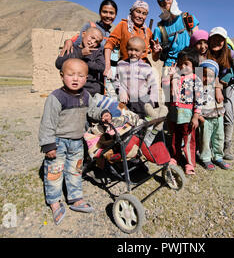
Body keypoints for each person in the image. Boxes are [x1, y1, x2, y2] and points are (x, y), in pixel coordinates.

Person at [39, 58, 121, 225]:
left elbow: (92, 110)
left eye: (80, 75)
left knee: (75, 170)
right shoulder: (56, 98)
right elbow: (47, 123)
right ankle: (54, 201)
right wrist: (48, 145)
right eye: (71, 75)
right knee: (54, 172)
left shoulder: (86, 95)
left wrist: (103, 114)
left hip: (77, 142)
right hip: (58, 141)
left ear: (86, 78)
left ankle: (75, 198)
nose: (75, 79)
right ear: (62, 76)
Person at [207, 27, 234, 160]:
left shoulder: (231, 54)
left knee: (228, 110)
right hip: (213, 83)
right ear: (209, 40)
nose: (216, 42)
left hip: (229, 83)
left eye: (220, 39)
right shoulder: (206, 54)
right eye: (214, 39)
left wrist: (229, 77)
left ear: (224, 41)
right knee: (211, 111)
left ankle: (226, 145)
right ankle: (210, 143)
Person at [167, 47, 204, 175]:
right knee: (175, 138)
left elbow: (199, 98)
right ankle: (175, 157)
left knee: (189, 139)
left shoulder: (195, 79)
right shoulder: (175, 77)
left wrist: (196, 116)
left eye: (186, 63)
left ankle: (189, 163)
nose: (183, 66)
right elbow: (166, 92)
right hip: (174, 114)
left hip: (187, 115)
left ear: (194, 65)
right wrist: (171, 77)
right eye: (181, 63)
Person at [103, 0, 153, 80]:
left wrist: (156, 50)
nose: (140, 16)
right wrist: (107, 66)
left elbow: (155, 55)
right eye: (138, 12)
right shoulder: (123, 25)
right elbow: (109, 44)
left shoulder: (147, 31)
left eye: (144, 14)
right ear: (132, 11)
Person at [151, 0, 199, 68]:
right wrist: (156, 52)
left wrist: (199, 71)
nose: (165, 1)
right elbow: (155, 58)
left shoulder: (188, 19)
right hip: (169, 66)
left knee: (199, 80)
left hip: (190, 64)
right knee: (166, 81)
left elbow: (199, 44)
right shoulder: (159, 28)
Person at [114, 37, 159, 119]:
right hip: (126, 101)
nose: (133, 53)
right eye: (130, 49)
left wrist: (153, 101)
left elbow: (153, 85)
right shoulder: (121, 64)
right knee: (128, 122)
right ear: (126, 49)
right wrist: (122, 91)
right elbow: (117, 81)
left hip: (143, 101)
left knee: (143, 123)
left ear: (143, 52)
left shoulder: (146, 67)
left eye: (137, 50)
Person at [198, 60, 230, 170]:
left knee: (219, 137)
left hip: (218, 116)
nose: (207, 78)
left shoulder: (217, 87)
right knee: (205, 139)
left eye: (211, 76)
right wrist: (199, 116)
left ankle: (218, 156)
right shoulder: (198, 87)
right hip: (205, 118)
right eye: (204, 75)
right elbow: (195, 102)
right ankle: (206, 158)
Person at [55, 26, 105, 95]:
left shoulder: (97, 52)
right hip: (72, 90)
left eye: (97, 41)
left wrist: (85, 61)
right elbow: (59, 63)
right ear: (83, 34)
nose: (92, 42)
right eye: (92, 37)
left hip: (92, 91)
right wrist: (80, 54)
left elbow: (101, 67)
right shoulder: (71, 48)